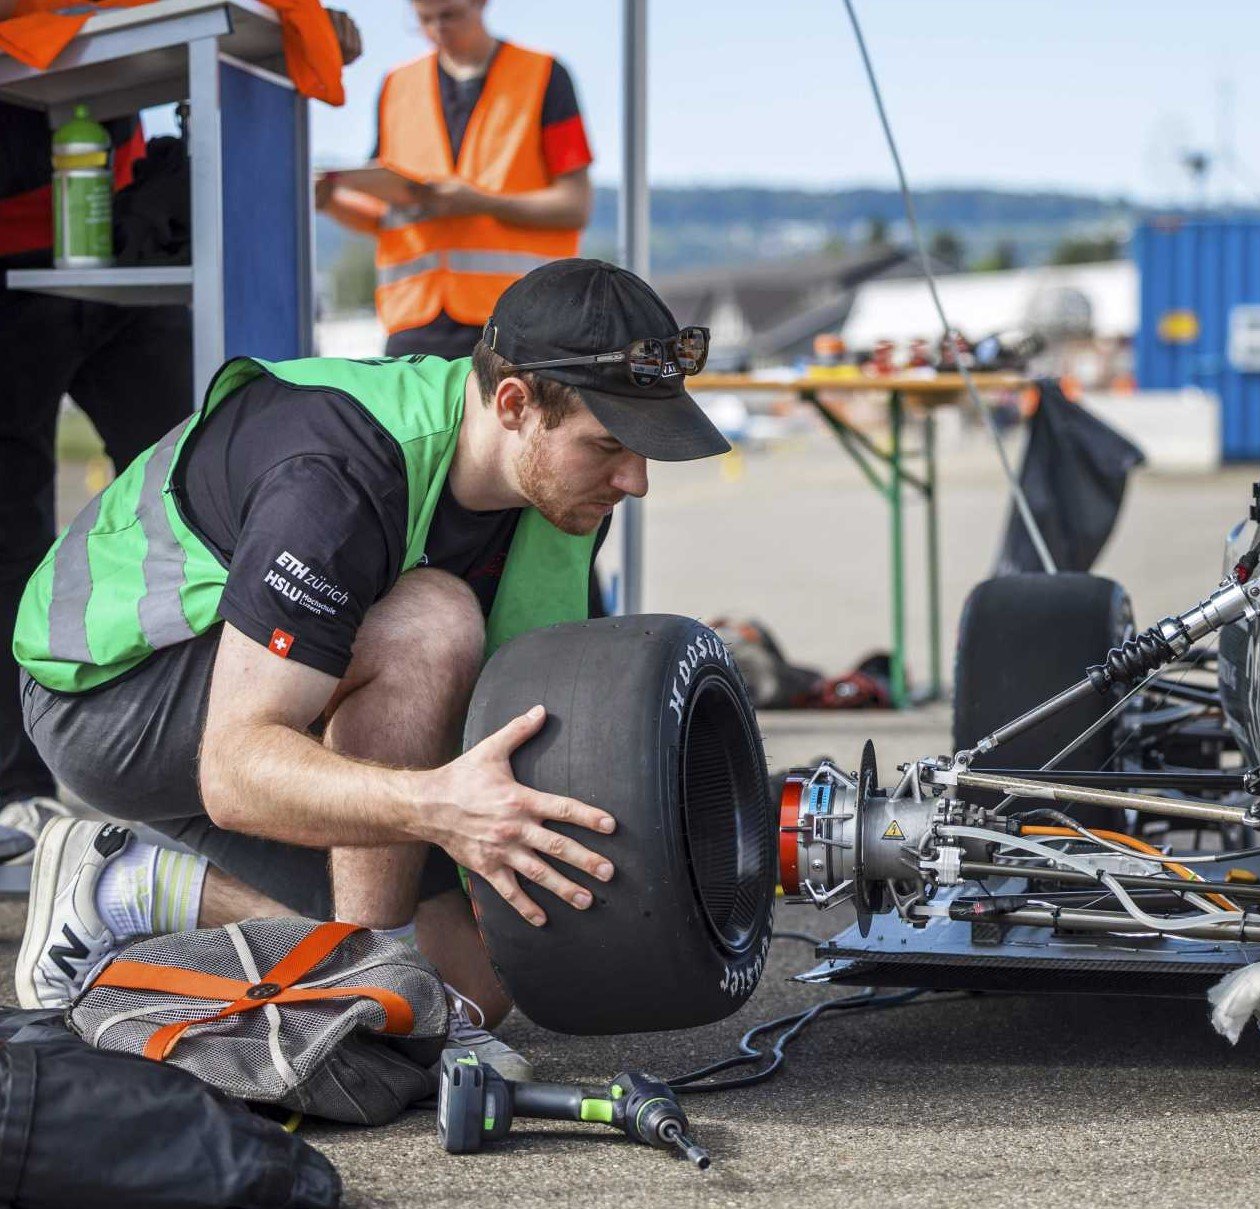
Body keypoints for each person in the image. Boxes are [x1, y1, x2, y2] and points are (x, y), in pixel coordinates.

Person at [13, 259, 725, 1077]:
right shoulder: (336, 475)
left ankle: (132, 888)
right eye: (609, 445)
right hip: (108, 696)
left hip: (272, 698)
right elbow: (236, 768)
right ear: (514, 403)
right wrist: (433, 806)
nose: (634, 480)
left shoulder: (563, 493)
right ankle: (367, 991)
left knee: (481, 978)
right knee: (430, 623)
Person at [0, 6, 363, 854]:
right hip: (15, 257)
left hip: (120, 233)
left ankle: (235, 749)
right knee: (12, 521)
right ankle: (15, 788)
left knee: (198, 487)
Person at [316, 0, 594, 359]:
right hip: (413, 325)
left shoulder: (543, 75)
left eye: (449, 15)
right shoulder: (396, 86)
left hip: (519, 323)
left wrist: (482, 203)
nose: (438, 29)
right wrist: (329, 200)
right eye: (424, 20)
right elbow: (384, 219)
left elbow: (575, 206)